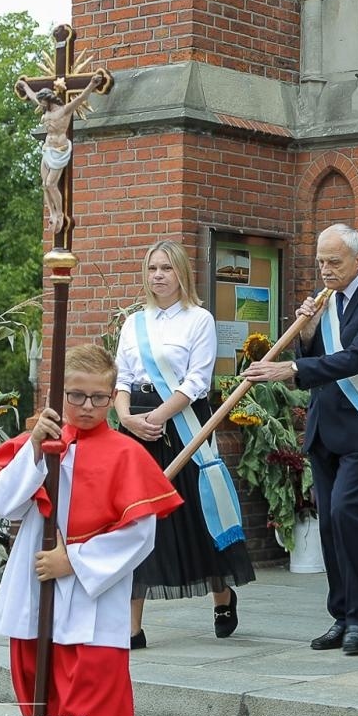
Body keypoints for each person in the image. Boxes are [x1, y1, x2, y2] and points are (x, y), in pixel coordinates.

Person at [0, 344, 182, 716]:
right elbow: (4, 502)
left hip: (92, 603)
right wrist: (33, 449)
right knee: (42, 709)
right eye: (76, 396)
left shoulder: (125, 454)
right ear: (57, 393)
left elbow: (140, 535)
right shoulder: (37, 442)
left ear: (112, 394)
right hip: (34, 599)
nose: (88, 407)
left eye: (98, 397)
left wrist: (74, 560)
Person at [243, 223, 358, 656]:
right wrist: (309, 332)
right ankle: (341, 615)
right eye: (321, 262)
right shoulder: (324, 301)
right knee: (330, 523)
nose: (326, 270)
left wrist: (291, 370)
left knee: (345, 512)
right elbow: (315, 358)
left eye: (334, 262)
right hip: (323, 426)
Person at [115, 240, 253, 648]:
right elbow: (121, 379)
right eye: (153, 268)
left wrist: (157, 418)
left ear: (181, 273)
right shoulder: (133, 323)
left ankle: (223, 594)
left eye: (167, 268)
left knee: (197, 512)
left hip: (181, 424)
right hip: (135, 423)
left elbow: (196, 382)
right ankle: (131, 627)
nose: (158, 275)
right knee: (136, 520)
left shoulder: (199, 319)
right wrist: (126, 419)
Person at [18, 71, 106, 234]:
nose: (40, 104)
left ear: (49, 99)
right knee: (45, 185)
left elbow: (80, 99)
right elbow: (32, 97)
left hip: (59, 150)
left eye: (43, 102)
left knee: (51, 183)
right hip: (47, 149)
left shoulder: (64, 110)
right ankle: (51, 212)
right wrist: (24, 86)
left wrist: (92, 84)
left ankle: (59, 214)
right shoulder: (46, 111)